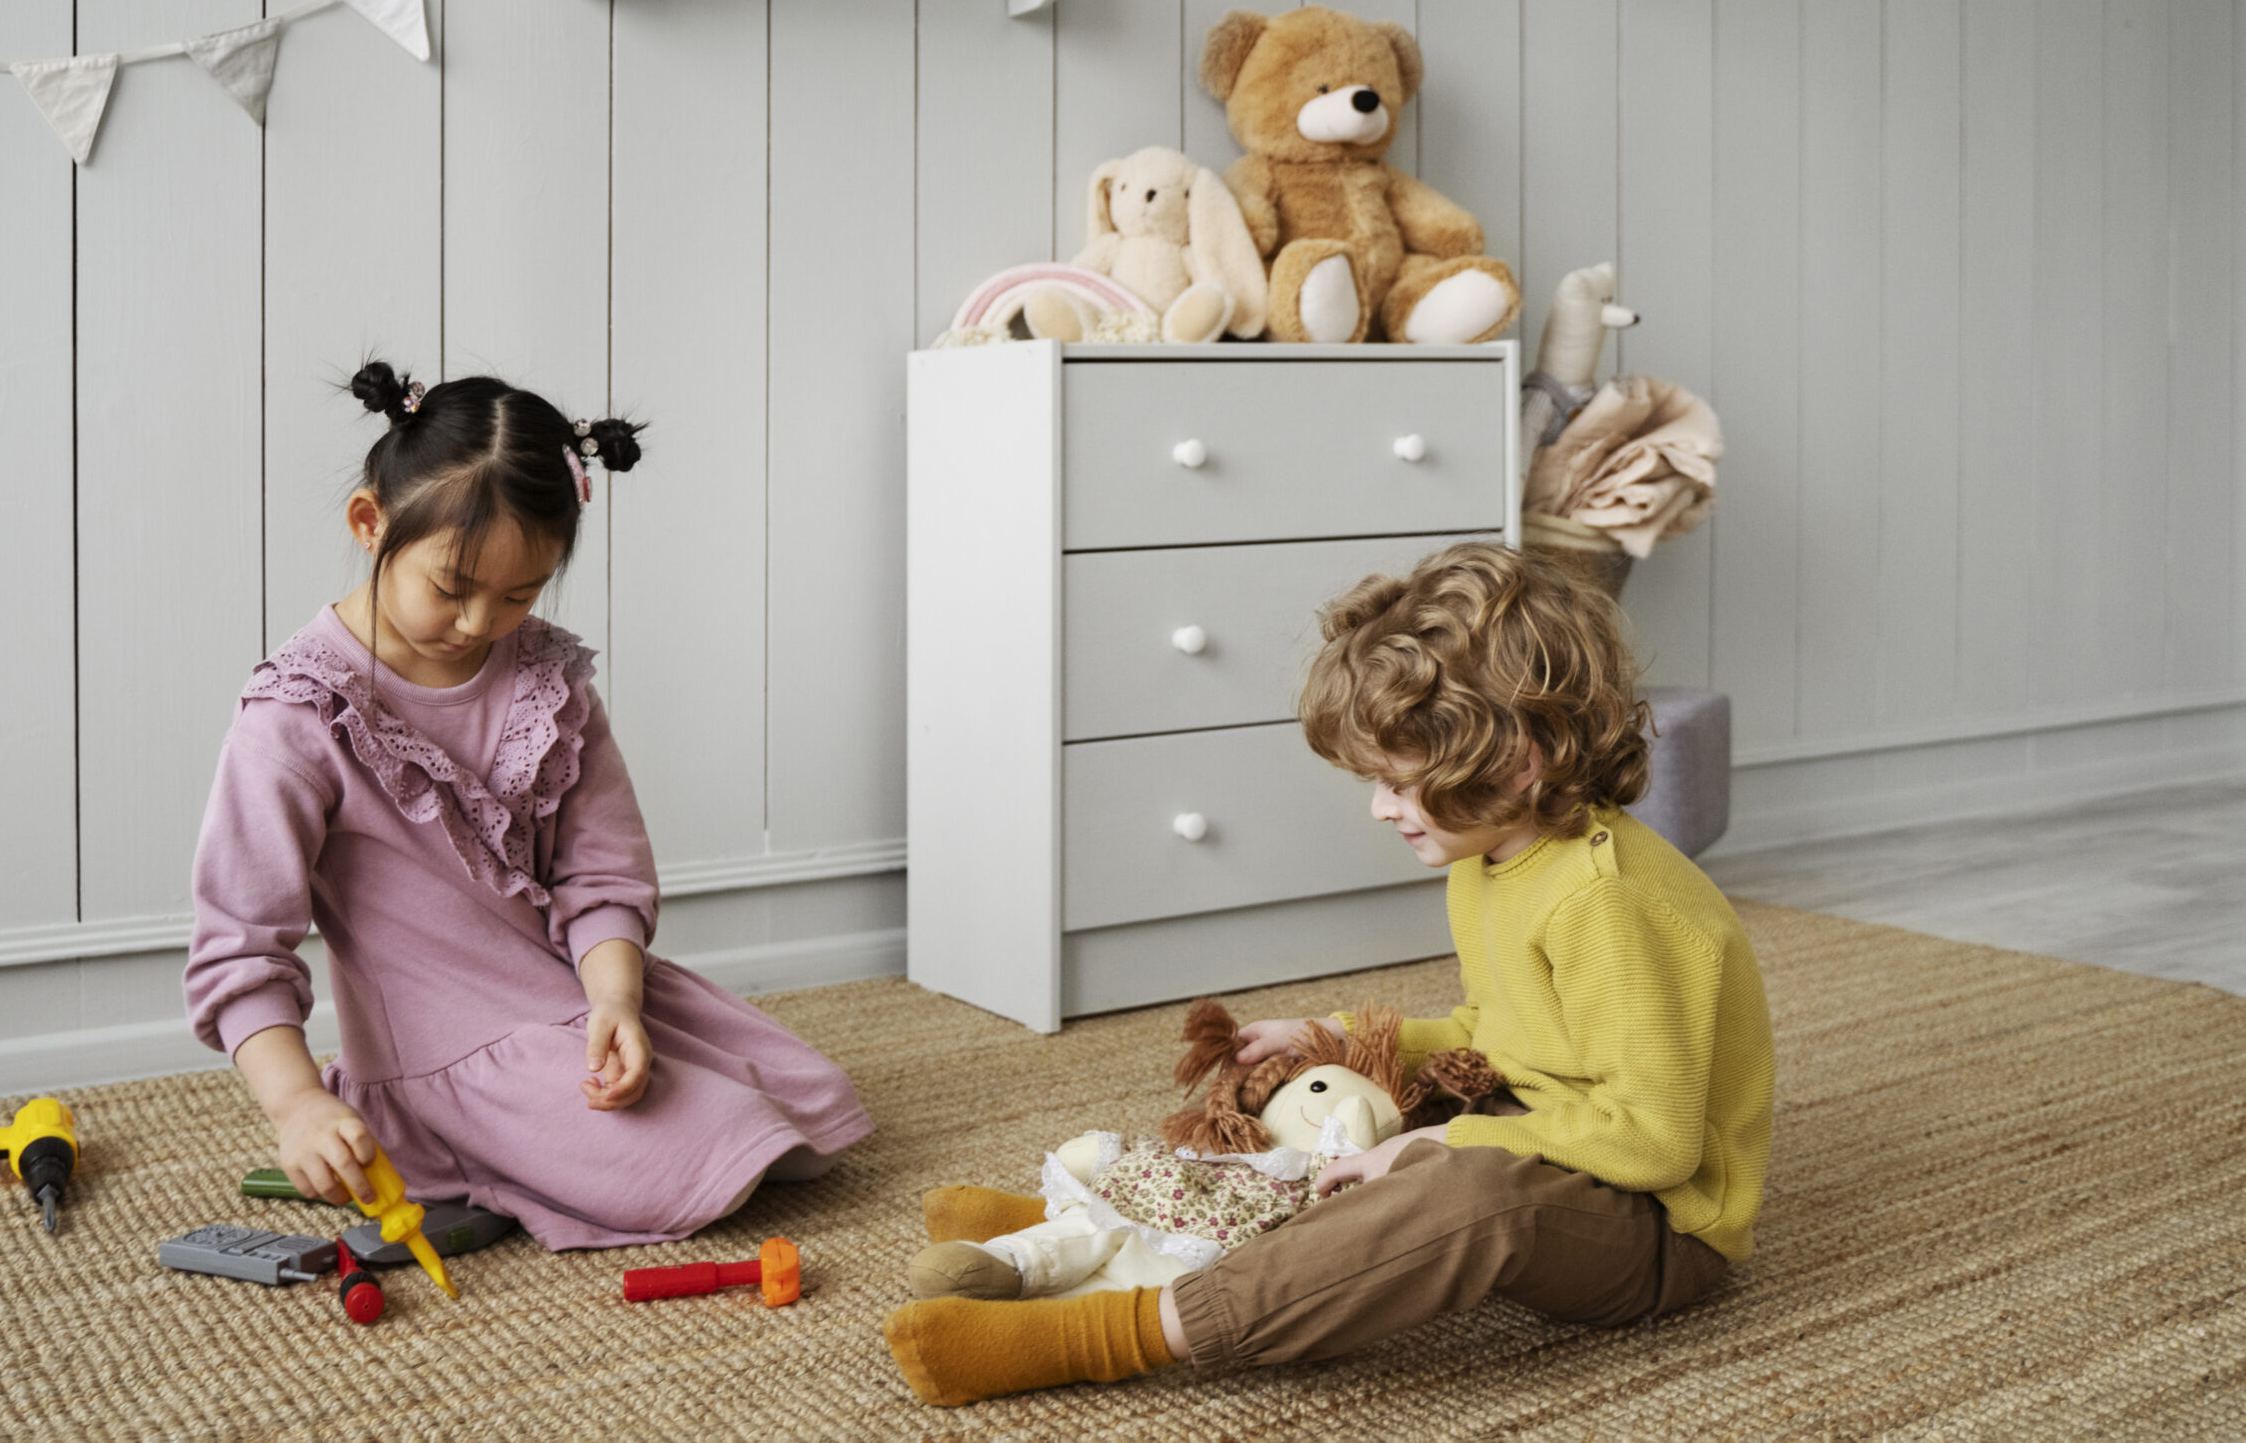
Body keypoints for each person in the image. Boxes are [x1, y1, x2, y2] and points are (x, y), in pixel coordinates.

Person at [882, 540, 1773, 1404]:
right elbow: (1503, 1040)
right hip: (1550, 1124)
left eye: (1395, 781)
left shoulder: (1603, 902)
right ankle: (1106, 1226)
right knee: (1327, 1102)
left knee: (1469, 1197)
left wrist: (1433, 1143)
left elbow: (1654, 1144)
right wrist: (1337, 1038)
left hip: (1659, 1230)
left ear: (1513, 759)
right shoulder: (1495, 854)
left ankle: (1115, 1330)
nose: (1382, 809)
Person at [184, 362, 871, 1249]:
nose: (479, 624)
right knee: (722, 1153)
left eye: (518, 595)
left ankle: (535, 1137)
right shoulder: (299, 713)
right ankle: (429, 1136)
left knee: (813, 1110)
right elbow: (239, 944)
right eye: (451, 588)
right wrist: (297, 1106)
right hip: (445, 1048)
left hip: (570, 991)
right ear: (371, 523)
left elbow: (602, 868)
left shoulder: (547, 678)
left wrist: (617, 1002)